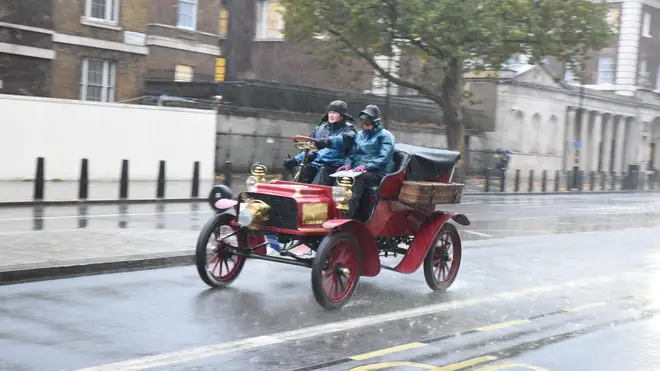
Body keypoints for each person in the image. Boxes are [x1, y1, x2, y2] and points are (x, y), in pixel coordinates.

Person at [336, 104, 395, 220]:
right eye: (362, 121)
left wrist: (365, 166)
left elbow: (384, 158)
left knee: (358, 179)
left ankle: (347, 215)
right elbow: (352, 154)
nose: (363, 124)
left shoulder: (386, 136)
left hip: (379, 172)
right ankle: (335, 209)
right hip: (358, 170)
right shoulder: (359, 135)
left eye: (367, 121)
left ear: (375, 122)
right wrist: (347, 164)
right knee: (339, 177)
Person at [283, 100, 357, 186]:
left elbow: (342, 142)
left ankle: (314, 196)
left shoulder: (349, 129)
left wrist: (328, 142)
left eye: (335, 113)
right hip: (317, 163)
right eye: (330, 112)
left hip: (336, 165)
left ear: (342, 116)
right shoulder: (318, 129)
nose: (331, 115)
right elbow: (309, 148)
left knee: (324, 171)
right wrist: (295, 160)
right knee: (306, 168)